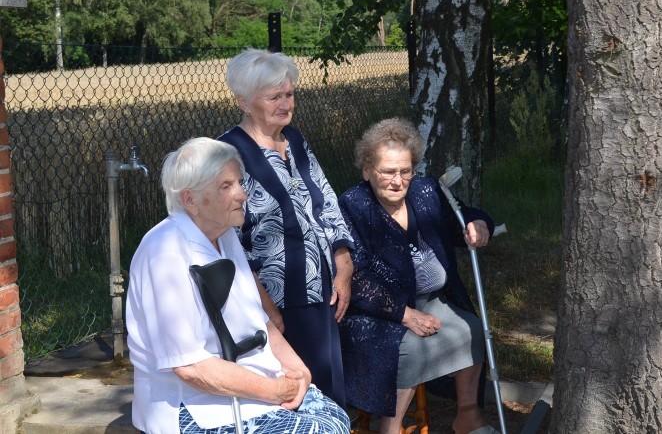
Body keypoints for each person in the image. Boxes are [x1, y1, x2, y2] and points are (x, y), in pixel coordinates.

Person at [125, 137, 350, 434]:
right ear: (190, 200)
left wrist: (297, 369)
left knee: (335, 417)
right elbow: (189, 367)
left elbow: (258, 317)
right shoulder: (165, 251)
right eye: (226, 186)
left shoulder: (225, 234)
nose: (243, 194)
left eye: (239, 182)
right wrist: (272, 391)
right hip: (193, 406)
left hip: (248, 386)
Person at [338, 117, 499, 434]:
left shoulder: (426, 191)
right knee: (412, 348)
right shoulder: (353, 205)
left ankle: (468, 417)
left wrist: (479, 224)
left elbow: (462, 216)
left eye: (405, 171)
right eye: (387, 172)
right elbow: (356, 277)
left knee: (473, 329)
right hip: (376, 311)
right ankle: (391, 428)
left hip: (428, 299)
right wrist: (403, 314)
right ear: (367, 170)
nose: (397, 181)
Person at [218, 48, 354, 408]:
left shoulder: (295, 140)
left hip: (320, 292)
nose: (285, 103)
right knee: (294, 397)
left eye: (289, 94)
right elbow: (227, 241)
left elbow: (327, 201)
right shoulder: (227, 154)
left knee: (327, 391)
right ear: (244, 102)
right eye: (274, 96)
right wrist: (264, 308)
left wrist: (343, 265)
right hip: (275, 300)